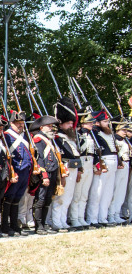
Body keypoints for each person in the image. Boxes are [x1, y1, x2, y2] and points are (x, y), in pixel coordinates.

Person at [49, 99, 81, 232]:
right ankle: (56, 221)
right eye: (68, 123)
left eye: (72, 123)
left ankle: (63, 220)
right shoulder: (57, 138)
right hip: (64, 169)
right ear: (61, 124)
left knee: (68, 197)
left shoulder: (71, 138)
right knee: (60, 197)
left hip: (73, 168)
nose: (71, 126)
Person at [29, 115, 62, 234]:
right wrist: (44, 176)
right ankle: (39, 226)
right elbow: (40, 159)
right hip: (44, 173)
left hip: (52, 172)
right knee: (41, 200)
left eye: (52, 127)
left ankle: (44, 223)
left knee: (48, 199)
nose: (51, 129)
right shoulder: (38, 139)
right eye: (49, 127)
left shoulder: (49, 140)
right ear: (42, 127)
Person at [2, 112, 33, 236]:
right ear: (11, 123)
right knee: (9, 198)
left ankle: (14, 224)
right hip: (15, 170)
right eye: (18, 123)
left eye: (21, 123)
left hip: (25, 170)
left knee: (17, 198)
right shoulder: (7, 136)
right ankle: (5, 225)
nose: (21, 126)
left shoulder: (25, 136)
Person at [68, 107, 98, 229]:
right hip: (82, 162)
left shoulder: (91, 135)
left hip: (90, 162)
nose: (92, 124)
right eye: (89, 122)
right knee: (77, 193)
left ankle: (81, 217)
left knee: (84, 193)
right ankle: (74, 218)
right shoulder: (77, 134)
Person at [86, 111, 118, 226]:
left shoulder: (109, 133)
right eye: (104, 121)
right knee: (97, 192)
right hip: (103, 161)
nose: (107, 123)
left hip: (113, 161)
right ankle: (92, 218)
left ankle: (103, 217)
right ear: (98, 123)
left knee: (108, 192)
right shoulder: (95, 133)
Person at [109, 121, 131, 223]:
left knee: (121, 192)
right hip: (119, 165)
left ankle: (117, 213)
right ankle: (111, 214)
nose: (125, 132)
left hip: (126, 164)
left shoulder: (125, 140)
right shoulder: (114, 139)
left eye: (126, 130)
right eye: (123, 130)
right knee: (115, 191)